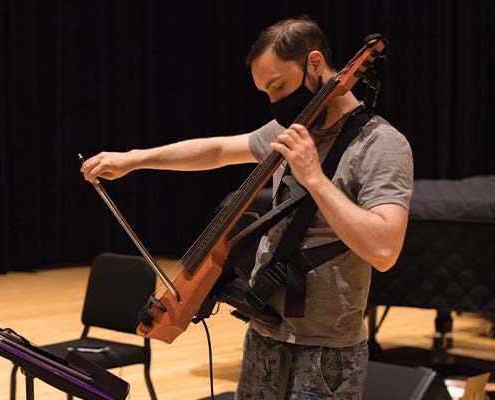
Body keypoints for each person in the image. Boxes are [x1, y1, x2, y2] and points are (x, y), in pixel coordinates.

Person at [81, 16, 413, 400]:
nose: (276, 104)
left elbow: (385, 250)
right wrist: (134, 159)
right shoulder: (294, 131)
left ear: (315, 64)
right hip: (264, 334)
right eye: (266, 93)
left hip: (328, 353)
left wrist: (315, 178)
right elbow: (218, 150)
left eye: (280, 86)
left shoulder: (382, 145)